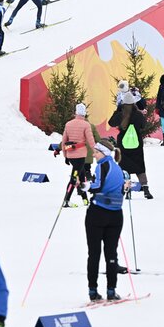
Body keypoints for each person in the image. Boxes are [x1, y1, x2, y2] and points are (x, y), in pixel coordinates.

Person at [81, 139, 127, 301]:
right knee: (111, 254)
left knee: (94, 253)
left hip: (98, 213)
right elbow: (121, 190)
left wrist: (84, 186)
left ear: (104, 153)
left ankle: (93, 291)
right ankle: (111, 290)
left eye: (96, 152)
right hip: (116, 215)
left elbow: (98, 186)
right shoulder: (118, 167)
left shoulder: (102, 165)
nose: (93, 155)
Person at [109, 91, 152, 199]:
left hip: (123, 145)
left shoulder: (121, 114)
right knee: (140, 167)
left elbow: (111, 123)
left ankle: (127, 191)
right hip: (136, 144)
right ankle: (145, 189)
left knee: (124, 167)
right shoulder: (138, 114)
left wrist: (118, 110)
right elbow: (143, 125)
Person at [58, 103, 97, 208]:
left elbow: (64, 141)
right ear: (84, 113)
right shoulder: (86, 125)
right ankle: (66, 200)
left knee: (82, 176)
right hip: (80, 156)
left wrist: (65, 155)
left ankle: (85, 200)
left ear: (76, 112)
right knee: (74, 178)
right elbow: (91, 141)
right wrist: (96, 152)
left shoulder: (68, 124)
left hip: (70, 155)